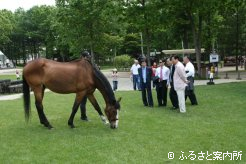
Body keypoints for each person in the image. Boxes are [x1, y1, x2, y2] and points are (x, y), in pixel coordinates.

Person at [80, 50, 91, 121]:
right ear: (84, 57)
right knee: (83, 102)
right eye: (87, 57)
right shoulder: (82, 65)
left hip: (84, 86)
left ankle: (83, 116)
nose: (88, 58)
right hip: (82, 87)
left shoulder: (83, 64)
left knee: (82, 102)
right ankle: (83, 117)